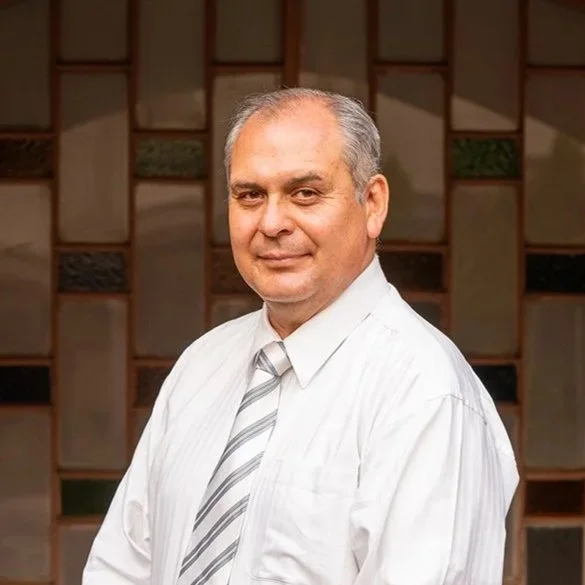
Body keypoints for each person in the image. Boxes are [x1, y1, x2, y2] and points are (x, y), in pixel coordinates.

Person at [82, 88, 519, 585]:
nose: (271, 223)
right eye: (250, 195)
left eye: (305, 193)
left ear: (373, 203)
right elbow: (120, 568)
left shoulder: (424, 392)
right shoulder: (201, 366)